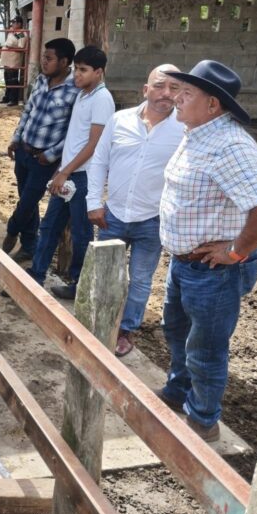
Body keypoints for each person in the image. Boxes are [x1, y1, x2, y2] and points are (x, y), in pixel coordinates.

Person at [157, 60, 257, 442]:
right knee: (178, 332)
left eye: (186, 93)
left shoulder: (229, 145)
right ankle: (177, 393)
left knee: (205, 349)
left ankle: (202, 421)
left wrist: (236, 250)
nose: (175, 98)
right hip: (187, 264)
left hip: (214, 271)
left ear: (213, 104)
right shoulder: (197, 133)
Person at [85, 64, 185, 357]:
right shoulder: (120, 120)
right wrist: (94, 203)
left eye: (173, 88)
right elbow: (99, 161)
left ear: (180, 93)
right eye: (159, 86)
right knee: (105, 273)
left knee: (140, 279)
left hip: (152, 220)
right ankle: (97, 323)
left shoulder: (185, 129)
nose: (166, 93)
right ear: (145, 89)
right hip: (112, 214)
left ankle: (125, 330)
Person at [27, 45, 114, 300]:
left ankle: (80, 284)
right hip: (68, 173)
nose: (77, 75)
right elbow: (75, 137)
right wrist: (62, 170)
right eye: (76, 69)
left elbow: (94, 144)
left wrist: (66, 171)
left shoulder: (102, 99)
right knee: (50, 225)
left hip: (83, 176)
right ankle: (36, 274)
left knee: (81, 232)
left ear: (99, 72)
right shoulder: (83, 94)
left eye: (84, 70)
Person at [2, 38, 78, 262]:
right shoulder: (41, 80)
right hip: (24, 151)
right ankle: (29, 246)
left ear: (64, 62)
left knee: (26, 202)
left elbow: (74, 132)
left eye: (49, 58)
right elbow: (28, 111)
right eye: (44, 57)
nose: (43, 62)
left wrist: (52, 155)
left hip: (44, 159)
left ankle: (12, 229)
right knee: (28, 201)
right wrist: (16, 138)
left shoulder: (75, 91)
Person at [0, 16, 29, 107]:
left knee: (13, 79)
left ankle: (13, 99)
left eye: (14, 22)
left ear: (19, 23)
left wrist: (11, 48)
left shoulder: (21, 33)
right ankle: (7, 97)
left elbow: (22, 47)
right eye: (12, 22)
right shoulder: (13, 32)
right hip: (7, 60)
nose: (12, 24)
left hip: (13, 60)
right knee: (7, 79)